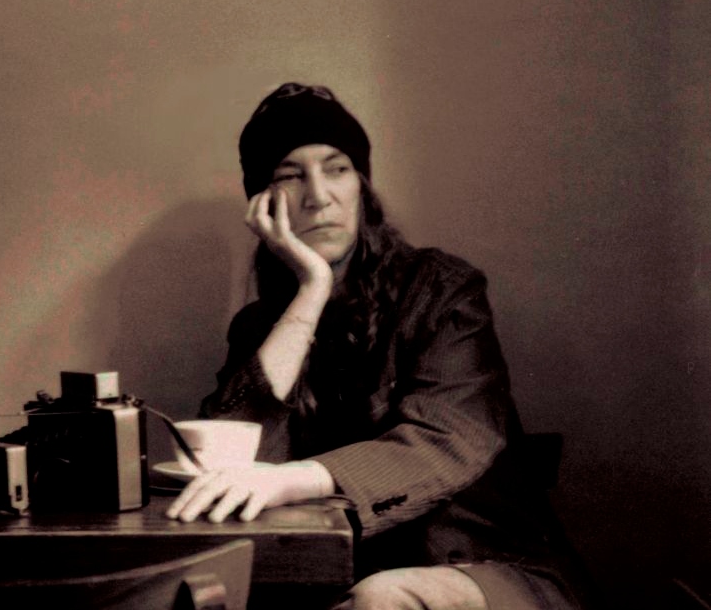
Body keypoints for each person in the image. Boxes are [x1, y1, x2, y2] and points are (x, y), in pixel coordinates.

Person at [166, 83, 596, 609]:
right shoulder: (260, 327)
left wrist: (296, 479)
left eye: (337, 168)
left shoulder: (440, 289)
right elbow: (232, 458)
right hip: (336, 577)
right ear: (263, 204)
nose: (318, 195)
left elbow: (448, 436)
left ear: (362, 187)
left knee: (383, 598)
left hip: (485, 567)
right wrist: (312, 289)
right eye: (290, 175)